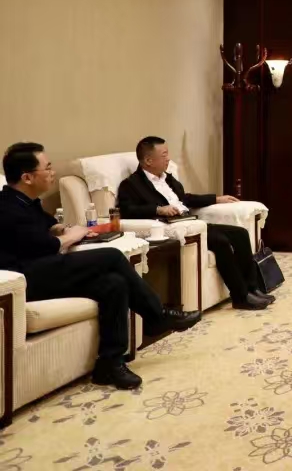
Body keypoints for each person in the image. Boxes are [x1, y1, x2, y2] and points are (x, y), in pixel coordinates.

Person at [0, 142, 201, 390]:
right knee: (112, 257)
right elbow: (47, 245)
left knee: (113, 284)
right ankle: (156, 316)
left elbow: (47, 226)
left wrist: (64, 228)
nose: (53, 172)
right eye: (48, 168)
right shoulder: (6, 208)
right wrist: (74, 234)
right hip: (22, 279)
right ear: (27, 177)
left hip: (45, 268)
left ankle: (109, 364)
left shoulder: (26, 201)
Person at [117, 136, 274, 310]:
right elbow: (128, 210)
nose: (168, 159)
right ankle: (241, 297)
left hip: (191, 221)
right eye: (164, 155)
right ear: (148, 160)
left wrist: (216, 199)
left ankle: (252, 288)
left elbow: (185, 199)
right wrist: (158, 209)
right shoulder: (131, 185)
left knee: (240, 234)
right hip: (175, 228)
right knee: (221, 242)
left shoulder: (167, 179)